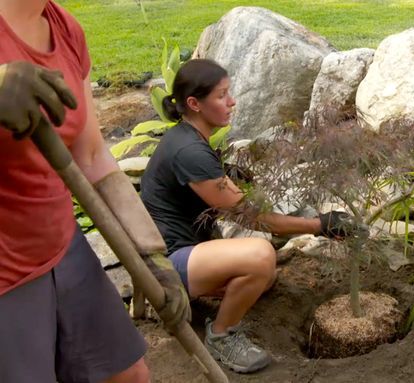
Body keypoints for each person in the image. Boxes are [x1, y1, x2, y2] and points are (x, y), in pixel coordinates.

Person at [0, 1, 190, 382]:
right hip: (6, 273)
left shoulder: (65, 28)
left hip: (59, 244)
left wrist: (150, 255)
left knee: (128, 375)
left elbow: (91, 156)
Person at [141, 58, 358, 373]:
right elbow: (254, 218)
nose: (232, 102)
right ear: (194, 104)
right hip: (166, 264)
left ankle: (201, 301)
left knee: (264, 277)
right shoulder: (189, 153)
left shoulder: (187, 137)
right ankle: (220, 336)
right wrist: (320, 226)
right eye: (221, 96)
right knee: (259, 256)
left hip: (181, 252)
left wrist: (228, 173)